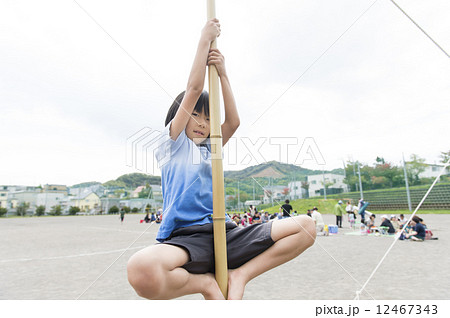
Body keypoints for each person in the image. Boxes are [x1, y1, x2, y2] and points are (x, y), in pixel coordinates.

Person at [127, 20, 316, 300]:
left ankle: (241, 274)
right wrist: (205, 39)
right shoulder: (171, 143)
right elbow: (193, 90)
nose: (203, 123)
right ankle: (204, 283)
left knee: (307, 227)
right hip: (184, 238)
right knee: (140, 269)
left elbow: (234, 121)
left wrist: (224, 75)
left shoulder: (211, 148)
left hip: (224, 234)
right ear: (179, 115)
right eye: (196, 115)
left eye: (208, 117)